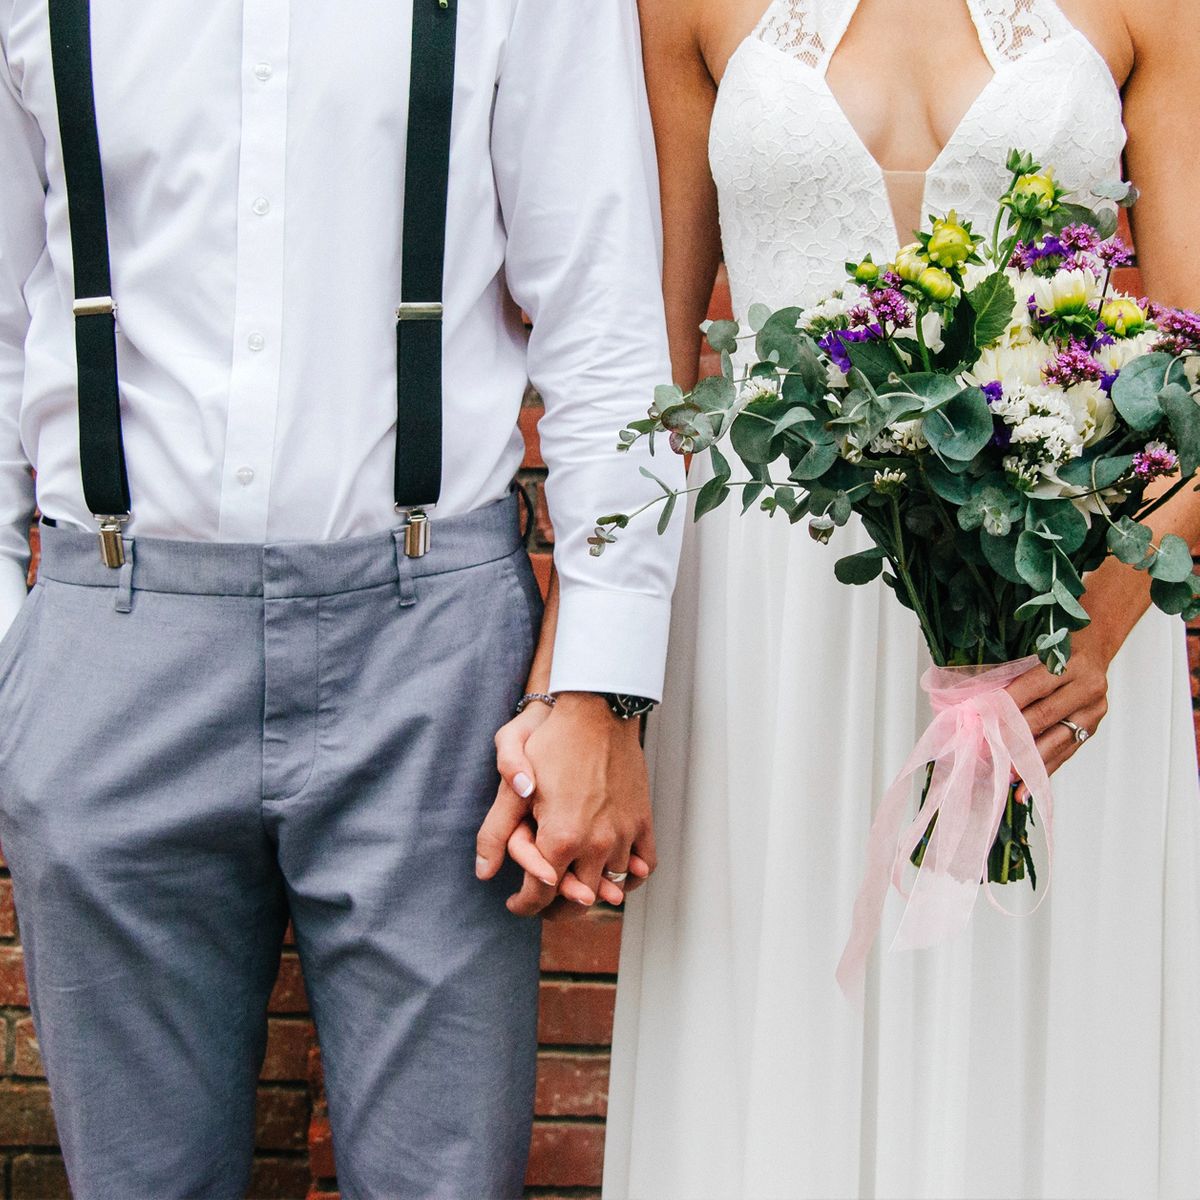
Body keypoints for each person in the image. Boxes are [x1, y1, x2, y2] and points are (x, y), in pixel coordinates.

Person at [0, 2, 682, 1197]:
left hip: (432, 660)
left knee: (443, 1181)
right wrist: (20, 677)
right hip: (111, 632)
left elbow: (605, 321)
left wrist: (600, 687)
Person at [602, 1, 1200, 1197]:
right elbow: (650, 367)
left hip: (1053, 617)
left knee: (1039, 1033)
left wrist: (1115, 605)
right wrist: (602, 693)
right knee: (772, 1024)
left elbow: (1196, 367)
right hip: (769, 626)